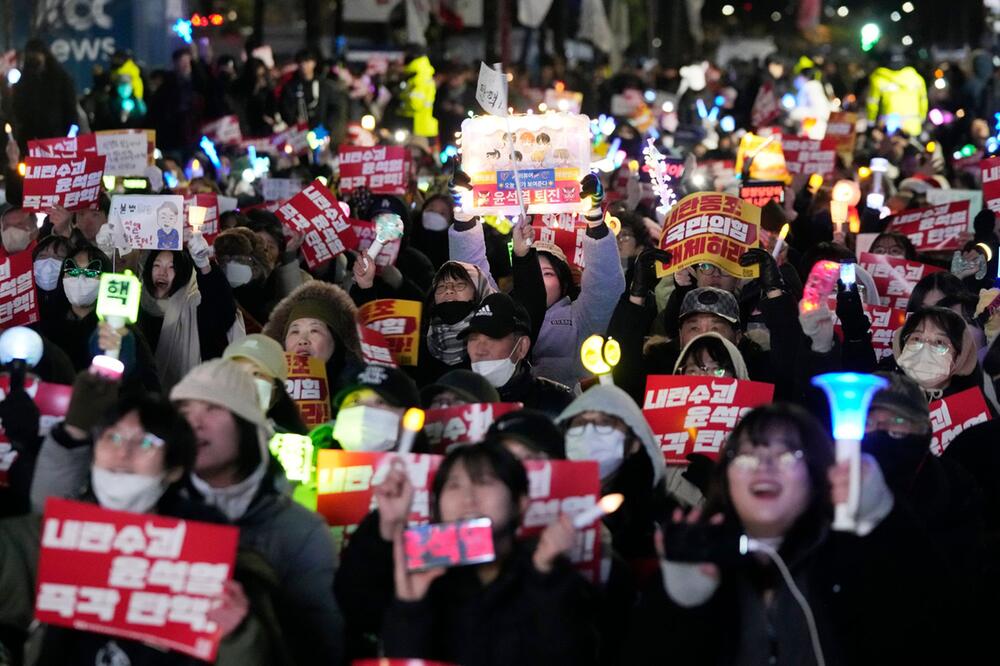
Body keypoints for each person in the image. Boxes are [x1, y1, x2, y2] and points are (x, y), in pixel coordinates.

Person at [626, 403, 948, 664]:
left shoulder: (854, 556)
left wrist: (888, 522)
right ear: (726, 478)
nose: (764, 465)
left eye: (786, 454)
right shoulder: (696, 559)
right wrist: (679, 605)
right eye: (748, 455)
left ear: (817, 474)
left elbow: (930, 630)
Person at [16, 389, 283, 663]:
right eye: (113, 437)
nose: (123, 452)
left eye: (146, 443)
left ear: (175, 469)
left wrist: (237, 636)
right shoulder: (55, 535)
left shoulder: (212, 554)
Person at [337, 442, 598, 664]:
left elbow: (573, 656)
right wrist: (410, 605)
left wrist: (545, 580)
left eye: (484, 481)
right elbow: (360, 619)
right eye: (453, 486)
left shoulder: (550, 574)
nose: (468, 497)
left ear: (520, 502)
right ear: (436, 505)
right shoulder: (421, 573)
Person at [556, 384, 701, 562]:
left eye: (604, 423)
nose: (589, 431)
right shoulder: (548, 505)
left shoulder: (667, 515)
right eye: (580, 423)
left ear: (634, 443)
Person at [137, 235, 238, 391]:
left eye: (171, 267)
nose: (162, 272)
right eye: (157, 265)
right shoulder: (136, 303)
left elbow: (222, 312)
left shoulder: (195, 305)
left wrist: (204, 266)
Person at [459, 293, 573, 418]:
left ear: (521, 347)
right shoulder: (454, 402)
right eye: (473, 339)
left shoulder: (557, 403)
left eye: (492, 338)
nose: (480, 350)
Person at [262, 280, 362, 400]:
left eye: (314, 330)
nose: (302, 340)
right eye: (295, 331)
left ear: (336, 340)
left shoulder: (359, 389)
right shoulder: (266, 388)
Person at [223, 334, 307, 435]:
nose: (244, 381)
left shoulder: (292, 444)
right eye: (236, 373)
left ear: (276, 387)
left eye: (256, 373)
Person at [10, 39, 78, 147]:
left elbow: (70, 108)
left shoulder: (60, 78)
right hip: (31, 139)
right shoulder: (24, 81)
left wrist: (70, 133)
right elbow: (18, 109)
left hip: (56, 138)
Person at [279, 49, 347, 144]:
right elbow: (284, 108)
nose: (304, 66)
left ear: (314, 63)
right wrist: (294, 121)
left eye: (307, 62)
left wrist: (327, 127)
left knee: (321, 157)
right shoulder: (290, 87)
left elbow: (335, 108)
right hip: (298, 133)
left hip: (321, 131)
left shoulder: (324, 86)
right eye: (301, 62)